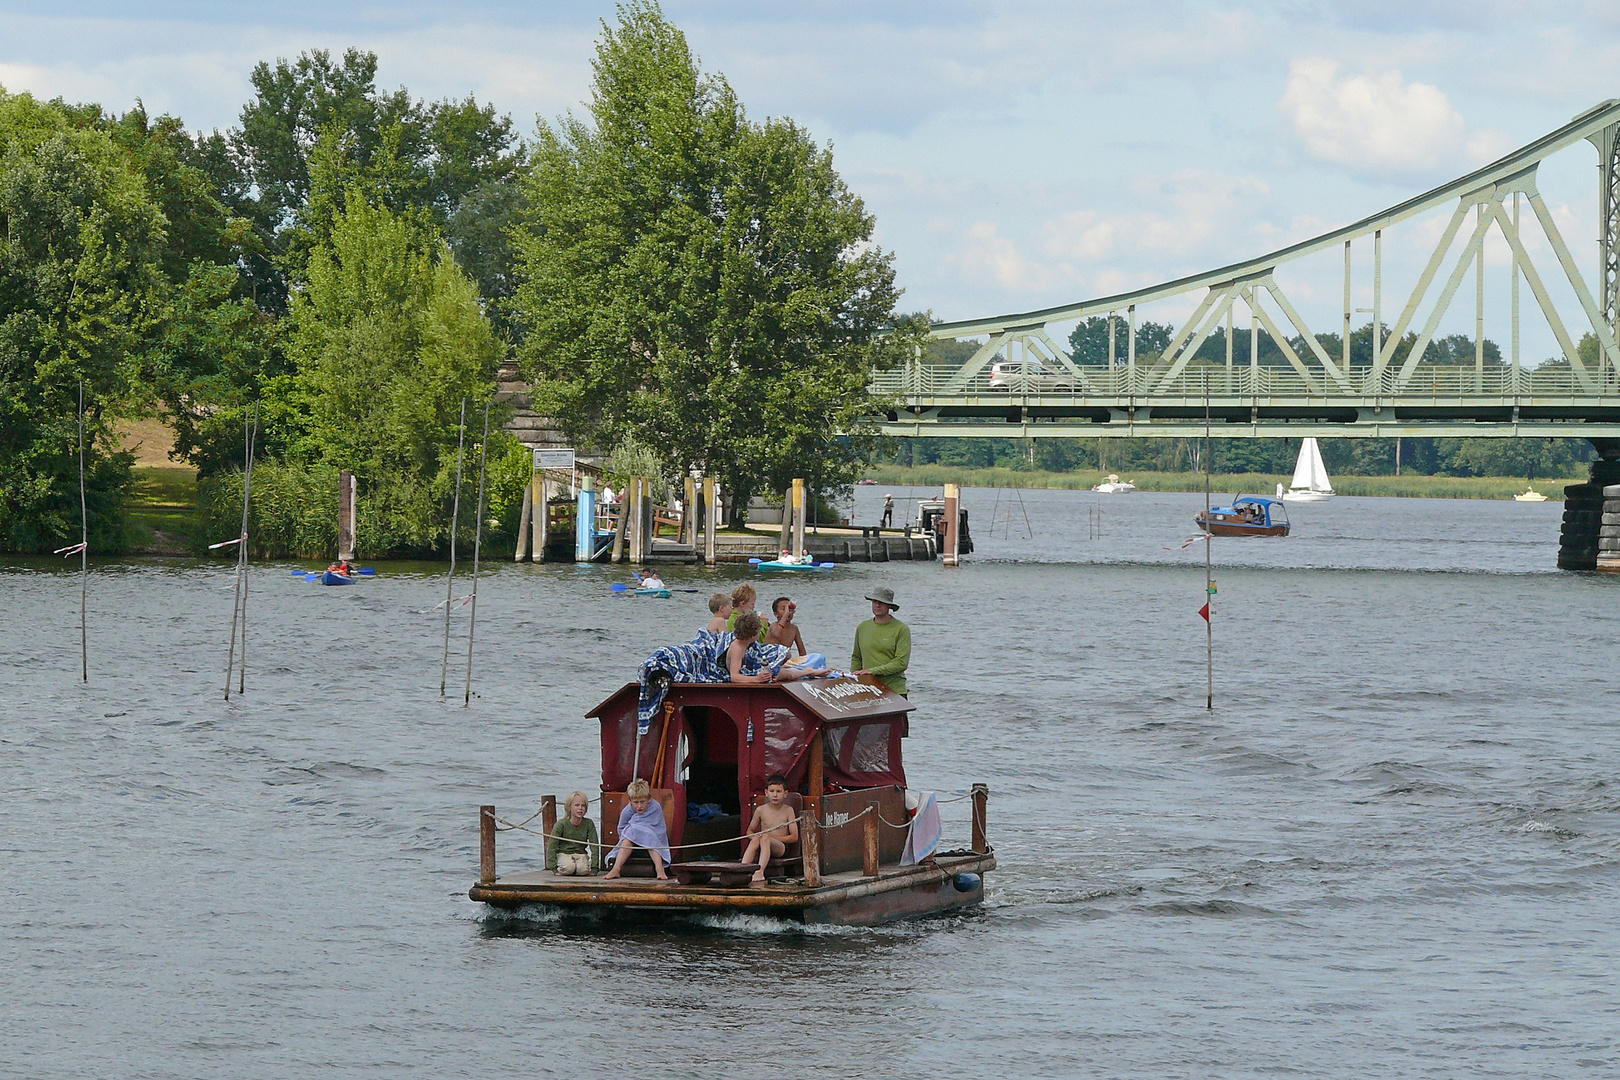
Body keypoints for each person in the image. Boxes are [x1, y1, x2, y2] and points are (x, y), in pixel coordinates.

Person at [727, 612, 826, 684]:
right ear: (753, 635)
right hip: (746, 675)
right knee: (778, 674)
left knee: (785, 655)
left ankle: (804, 671)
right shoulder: (738, 647)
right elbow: (734, 677)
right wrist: (757, 679)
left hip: (750, 671)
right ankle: (808, 672)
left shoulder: (747, 644)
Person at [602, 779, 672, 881]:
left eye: (642, 802)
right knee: (629, 834)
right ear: (630, 801)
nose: (639, 806)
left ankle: (660, 869)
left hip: (652, 841)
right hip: (633, 842)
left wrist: (643, 830)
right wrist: (634, 832)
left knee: (649, 835)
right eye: (636, 802)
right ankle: (616, 869)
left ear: (649, 799)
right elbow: (622, 827)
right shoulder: (627, 810)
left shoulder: (655, 807)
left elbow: (659, 827)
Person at [741, 773, 800, 884]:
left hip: (779, 847)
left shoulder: (788, 810)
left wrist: (772, 837)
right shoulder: (760, 810)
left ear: (785, 793)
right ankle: (742, 869)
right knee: (756, 839)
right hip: (762, 843)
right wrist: (755, 836)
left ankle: (759, 872)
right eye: (772, 791)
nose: (775, 795)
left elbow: (794, 837)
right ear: (766, 793)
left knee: (765, 838)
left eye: (778, 791)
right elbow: (749, 831)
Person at [852, 586, 910, 695]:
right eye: (874, 601)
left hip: (894, 691)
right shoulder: (862, 627)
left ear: (889, 606)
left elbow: (901, 663)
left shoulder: (901, 629)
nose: (877, 605)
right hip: (868, 689)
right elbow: (856, 657)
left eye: (881, 603)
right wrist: (854, 678)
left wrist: (872, 671)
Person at [546, 791, 600, 876]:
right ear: (569, 807)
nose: (580, 808)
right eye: (577, 805)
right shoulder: (561, 824)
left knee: (583, 870)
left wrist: (594, 868)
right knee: (568, 868)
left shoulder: (589, 823)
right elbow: (552, 846)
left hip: (580, 854)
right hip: (564, 853)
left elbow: (594, 846)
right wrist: (553, 868)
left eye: (583, 805)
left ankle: (577, 867)